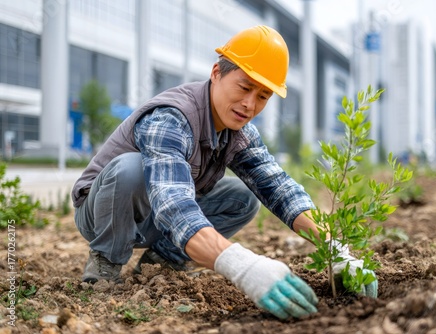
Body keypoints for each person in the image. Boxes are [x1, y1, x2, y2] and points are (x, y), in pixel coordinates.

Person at [71, 25, 377, 320]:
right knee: (132, 169)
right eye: (244, 87)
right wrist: (241, 265)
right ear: (217, 73)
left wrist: (335, 249)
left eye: (262, 96)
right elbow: (172, 202)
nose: (249, 104)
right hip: (103, 213)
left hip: (156, 219)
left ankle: (163, 260)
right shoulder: (171, 118)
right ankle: (106, 260)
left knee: (243, 197)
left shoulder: (240, 132)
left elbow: (279, 188)